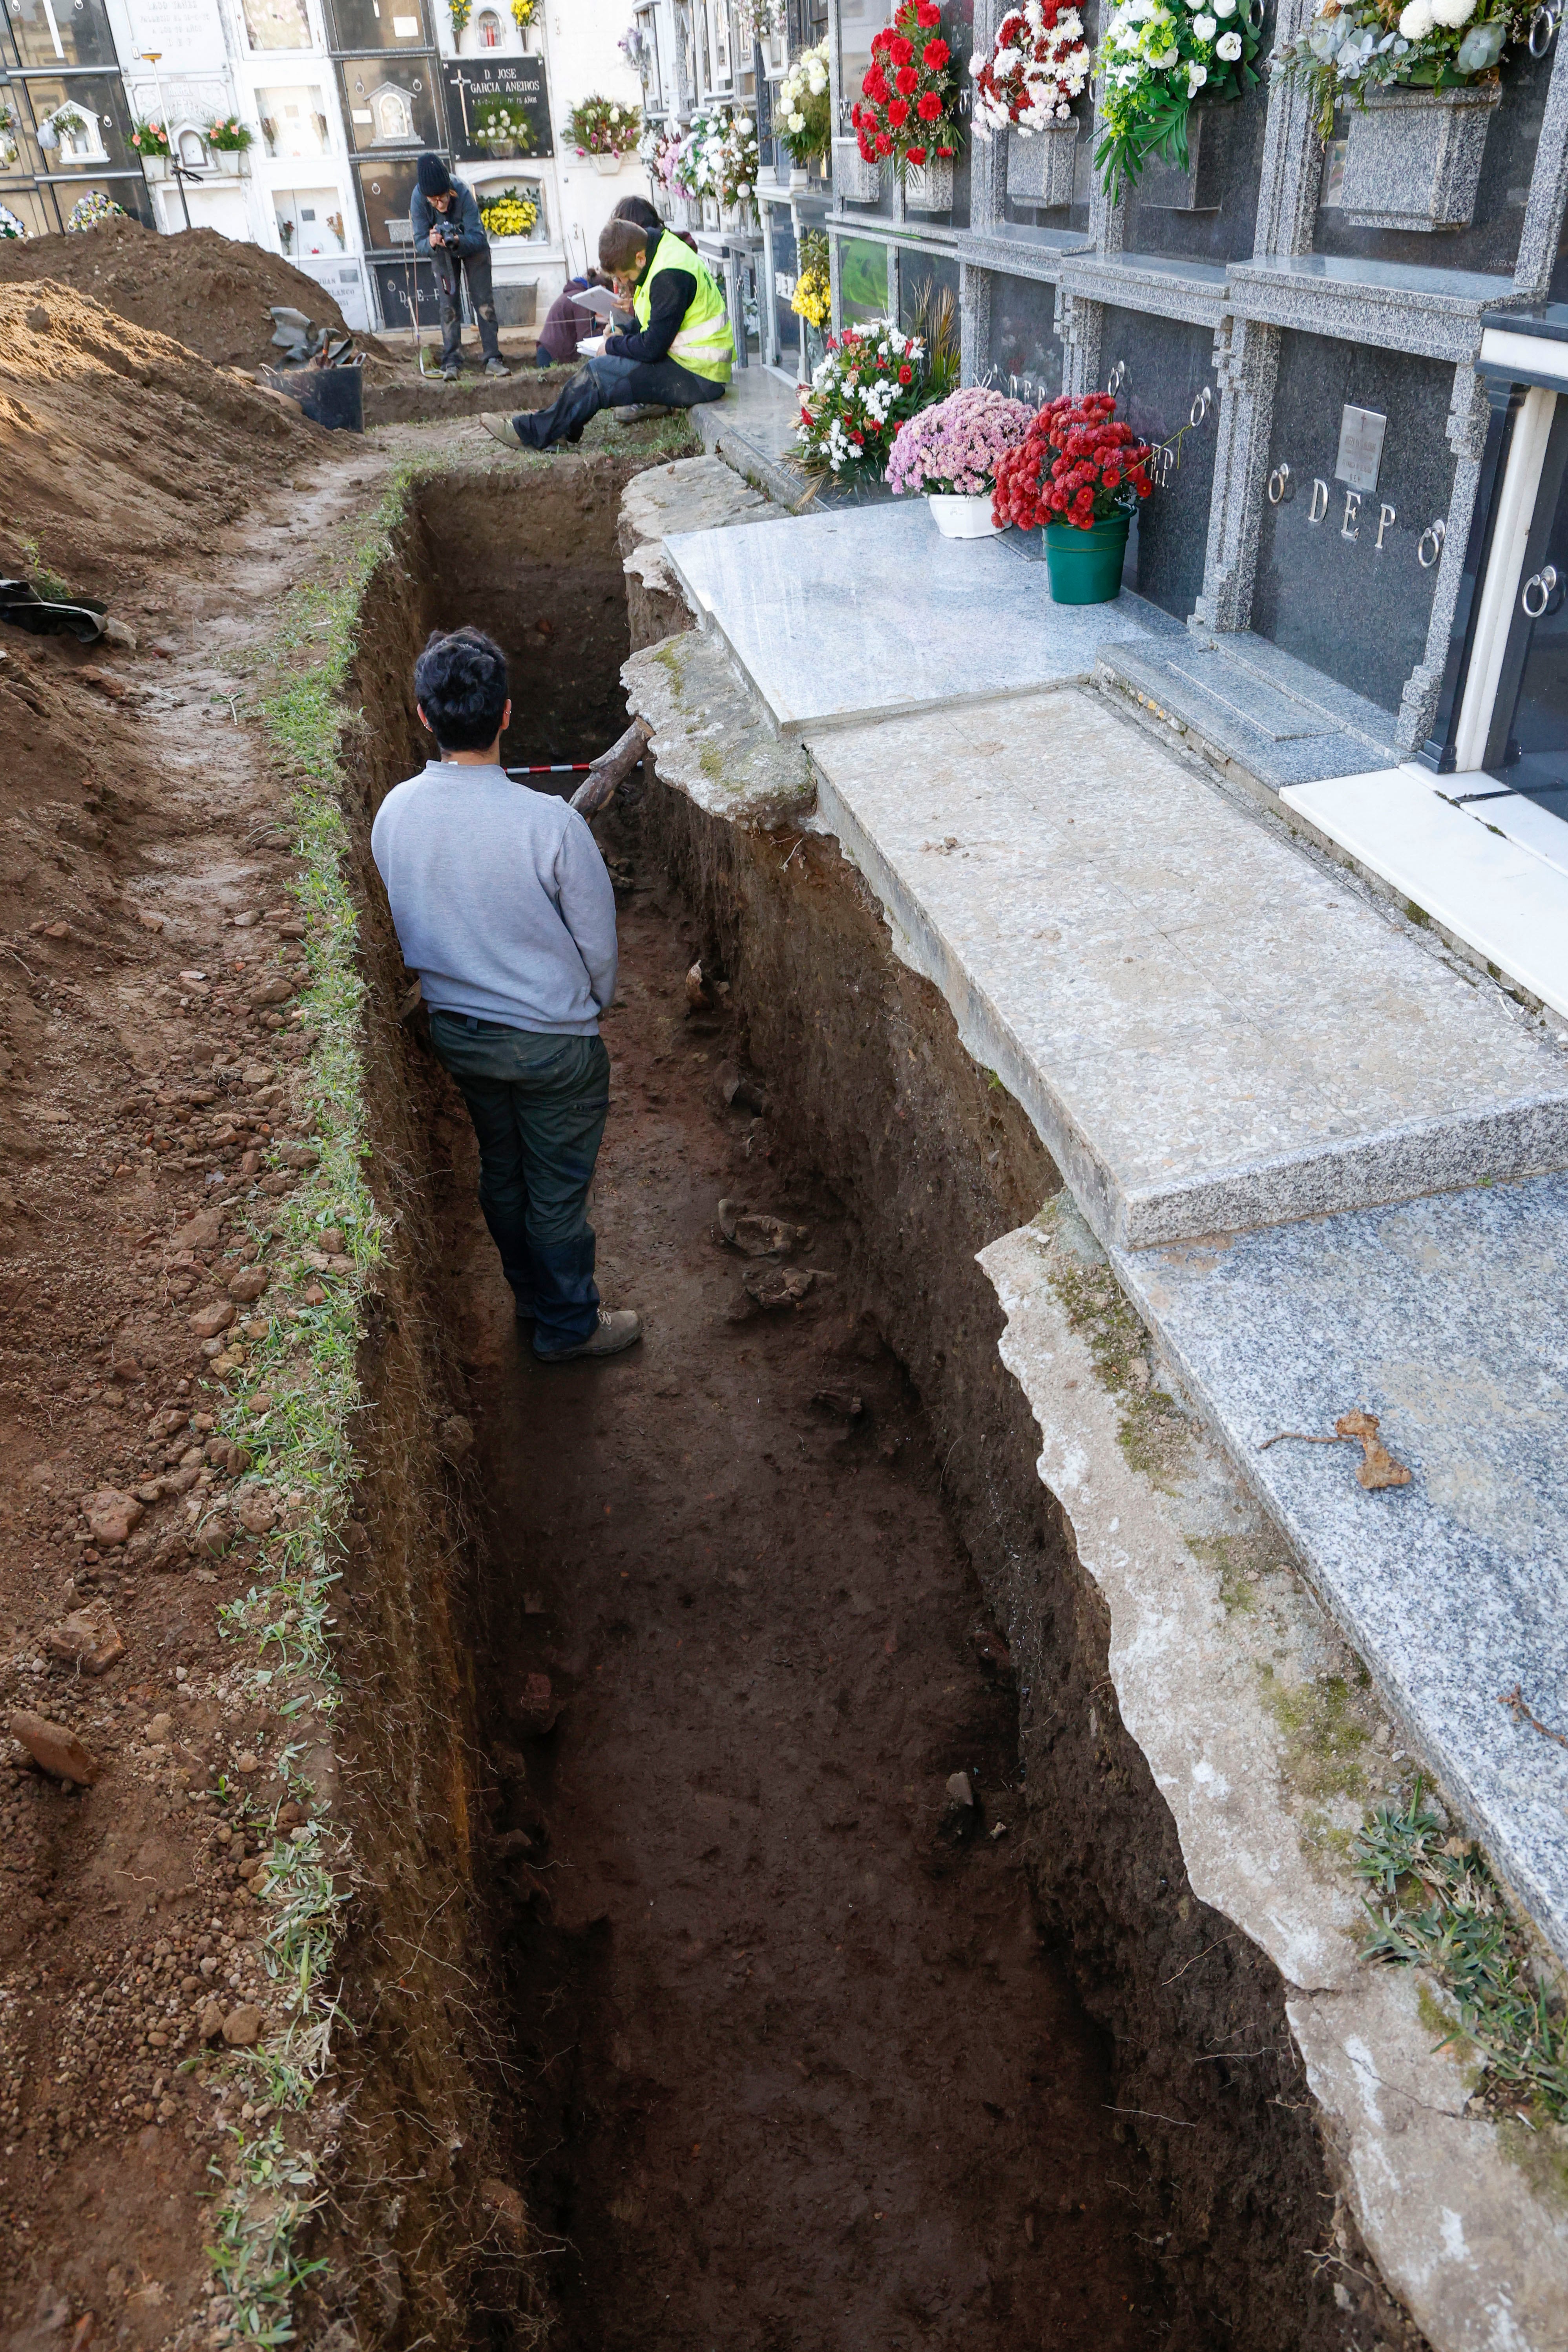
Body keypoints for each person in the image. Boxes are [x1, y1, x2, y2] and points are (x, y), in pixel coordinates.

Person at [371, 627, 641, 1364]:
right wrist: (591, 1005)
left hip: (460, 1033)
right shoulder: (549, 823)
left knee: (502, 1165)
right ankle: (569, 1326)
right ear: (507, 714)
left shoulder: (393, 811)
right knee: (555, 1191)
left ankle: (530, 1297)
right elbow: (598, 946)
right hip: (554, 1045)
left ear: (425, 717)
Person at [482, 212, 733, 454]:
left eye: (623, 277)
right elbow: (660, 323)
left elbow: (652, 347)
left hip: (699, 379)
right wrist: (623, 329)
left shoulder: (669, 276)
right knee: (600, 372)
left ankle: (533, 433)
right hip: (693, 368)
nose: (622, 284)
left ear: (640, 258)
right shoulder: (663, 253)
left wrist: (611, 346)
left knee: (599, 374)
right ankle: (555, 430)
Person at [411, 154, 510, 383]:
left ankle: (492, 360)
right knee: (449, 308)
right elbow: (420, 244)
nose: (440, 204)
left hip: (473, 249)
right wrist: (432, 243)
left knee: (484, 304)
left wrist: (458, 239)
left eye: (443, 198)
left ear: (450, 191)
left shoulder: (462, 192)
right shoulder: (418, 199)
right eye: (433, 201)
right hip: (442, 254)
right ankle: (452, 361)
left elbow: (478, 237)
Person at [535, 268, 615, 367]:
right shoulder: (582, 300)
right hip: (552, 356)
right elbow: (586, 337)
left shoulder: (576, 292)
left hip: (549, 350)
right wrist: (608, 328)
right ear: (603, 289)